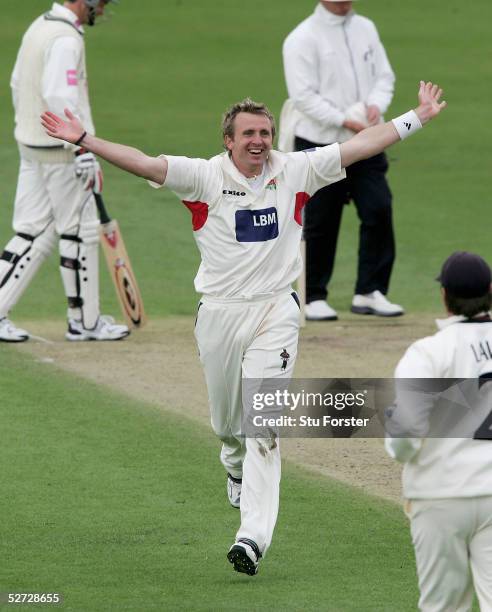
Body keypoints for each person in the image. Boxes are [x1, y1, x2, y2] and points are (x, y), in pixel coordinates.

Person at [41, 81, 445, 575]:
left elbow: (362, 145)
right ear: (228, 140)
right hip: (219, 314)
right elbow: (144, 163)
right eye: (249, 133)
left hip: (275, 312)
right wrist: (86, 139)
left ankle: (251, 537)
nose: (259, 140)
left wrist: (417, 116)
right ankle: (232, 466)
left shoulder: (297, 168)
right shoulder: (203, 176)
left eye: (266, 132)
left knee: (263, 426)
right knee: (228, 427)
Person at [0, 0, 129, 343]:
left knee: (32, 231)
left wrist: (30, 130)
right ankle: (84, 323)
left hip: (32, 144)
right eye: (99, 4)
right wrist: (81, 148)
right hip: (61, 151)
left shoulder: (39, 26)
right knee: (79, 231)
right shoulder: (65, 39)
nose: (101, 11)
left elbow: (16, 84)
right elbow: (59, 95)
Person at [385, 251, 492, 611]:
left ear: (444, 296)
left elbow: (405, 439)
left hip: (440, 495)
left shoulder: (427, 353)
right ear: (490, 291)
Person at [283, 0, 402, 321]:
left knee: (379, 207)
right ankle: (314, 295)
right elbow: (303, 96)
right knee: (321, 217)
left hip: (367, 139)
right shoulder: (302, 38)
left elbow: (384, 76)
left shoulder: (366, 27)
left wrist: (376, 105)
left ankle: (370, 290)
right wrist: (343, 120)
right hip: (321, 142)